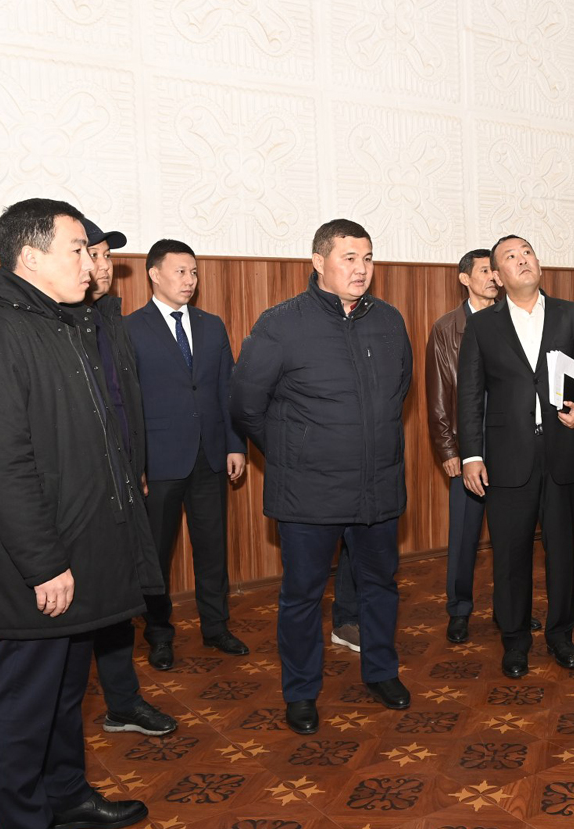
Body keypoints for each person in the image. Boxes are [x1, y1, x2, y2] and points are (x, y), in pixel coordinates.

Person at [0, 198, 160, 829]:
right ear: (31, 255)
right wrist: (44, 562)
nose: (90, 265)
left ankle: (66, 797)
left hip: (81, 549)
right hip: (37, 566)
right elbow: (0, 462)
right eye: (76, 250)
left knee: (66, 694)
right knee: (24, 707)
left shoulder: (61, 323)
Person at [230, 219, 413, 735]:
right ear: (318, 262)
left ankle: (381, 671)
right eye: (349, 258)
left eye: (368, 258)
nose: (361, 269)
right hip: (307, 492)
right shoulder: (281, 323)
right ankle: (301, 691)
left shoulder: (389, 320)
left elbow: (400, 389)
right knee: (302, 597)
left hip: (377, 487)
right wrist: (292, 453)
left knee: (380, 586)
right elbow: (245, 404)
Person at [459, 235, 574, 679]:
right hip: (507, 458)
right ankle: (515, 641)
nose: (522, 260)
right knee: (510, 555)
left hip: (564, 453)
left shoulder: (573, 314)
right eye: (510, 257)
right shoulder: (482, 326)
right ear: (497, 275)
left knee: (564, 551)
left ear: (539, 263)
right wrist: (471, 455)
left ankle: (562, 635)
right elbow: (469, 394)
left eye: (527, 252)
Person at [126, 239, 248, 670]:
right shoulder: (131, 328)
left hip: (210, 456)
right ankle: (159, 634)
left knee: (212, 549)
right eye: (180, 271)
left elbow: (227, 390)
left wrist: (235, 444)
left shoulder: (212, 326)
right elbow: (128, 404)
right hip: (158, 461)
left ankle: (216, 627)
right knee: (156, 555)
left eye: (194, 272)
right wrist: (136, 464)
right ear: (154, 274)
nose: (190, 280)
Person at [80, 217, 176, 737]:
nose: (104, 266)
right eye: (92, 254)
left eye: (106, 256)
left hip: (120, 479)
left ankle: (122, 701)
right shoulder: (57, 325)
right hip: (82, 488)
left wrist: (135, 465)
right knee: (81, 608)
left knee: (118, 596)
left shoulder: (108, 319)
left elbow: (125, 402)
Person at [426, 249, 499, 643]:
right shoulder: (447, 328)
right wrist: (449, 450)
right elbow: (438, 396)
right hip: (468, 447)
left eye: (495, 270)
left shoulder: (511, 318)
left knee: (511, 535)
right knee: (464, 535)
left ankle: (510, 607)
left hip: (511, 446)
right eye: (484, 270)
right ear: (465, 279)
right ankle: (459, 609)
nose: (493, 277)